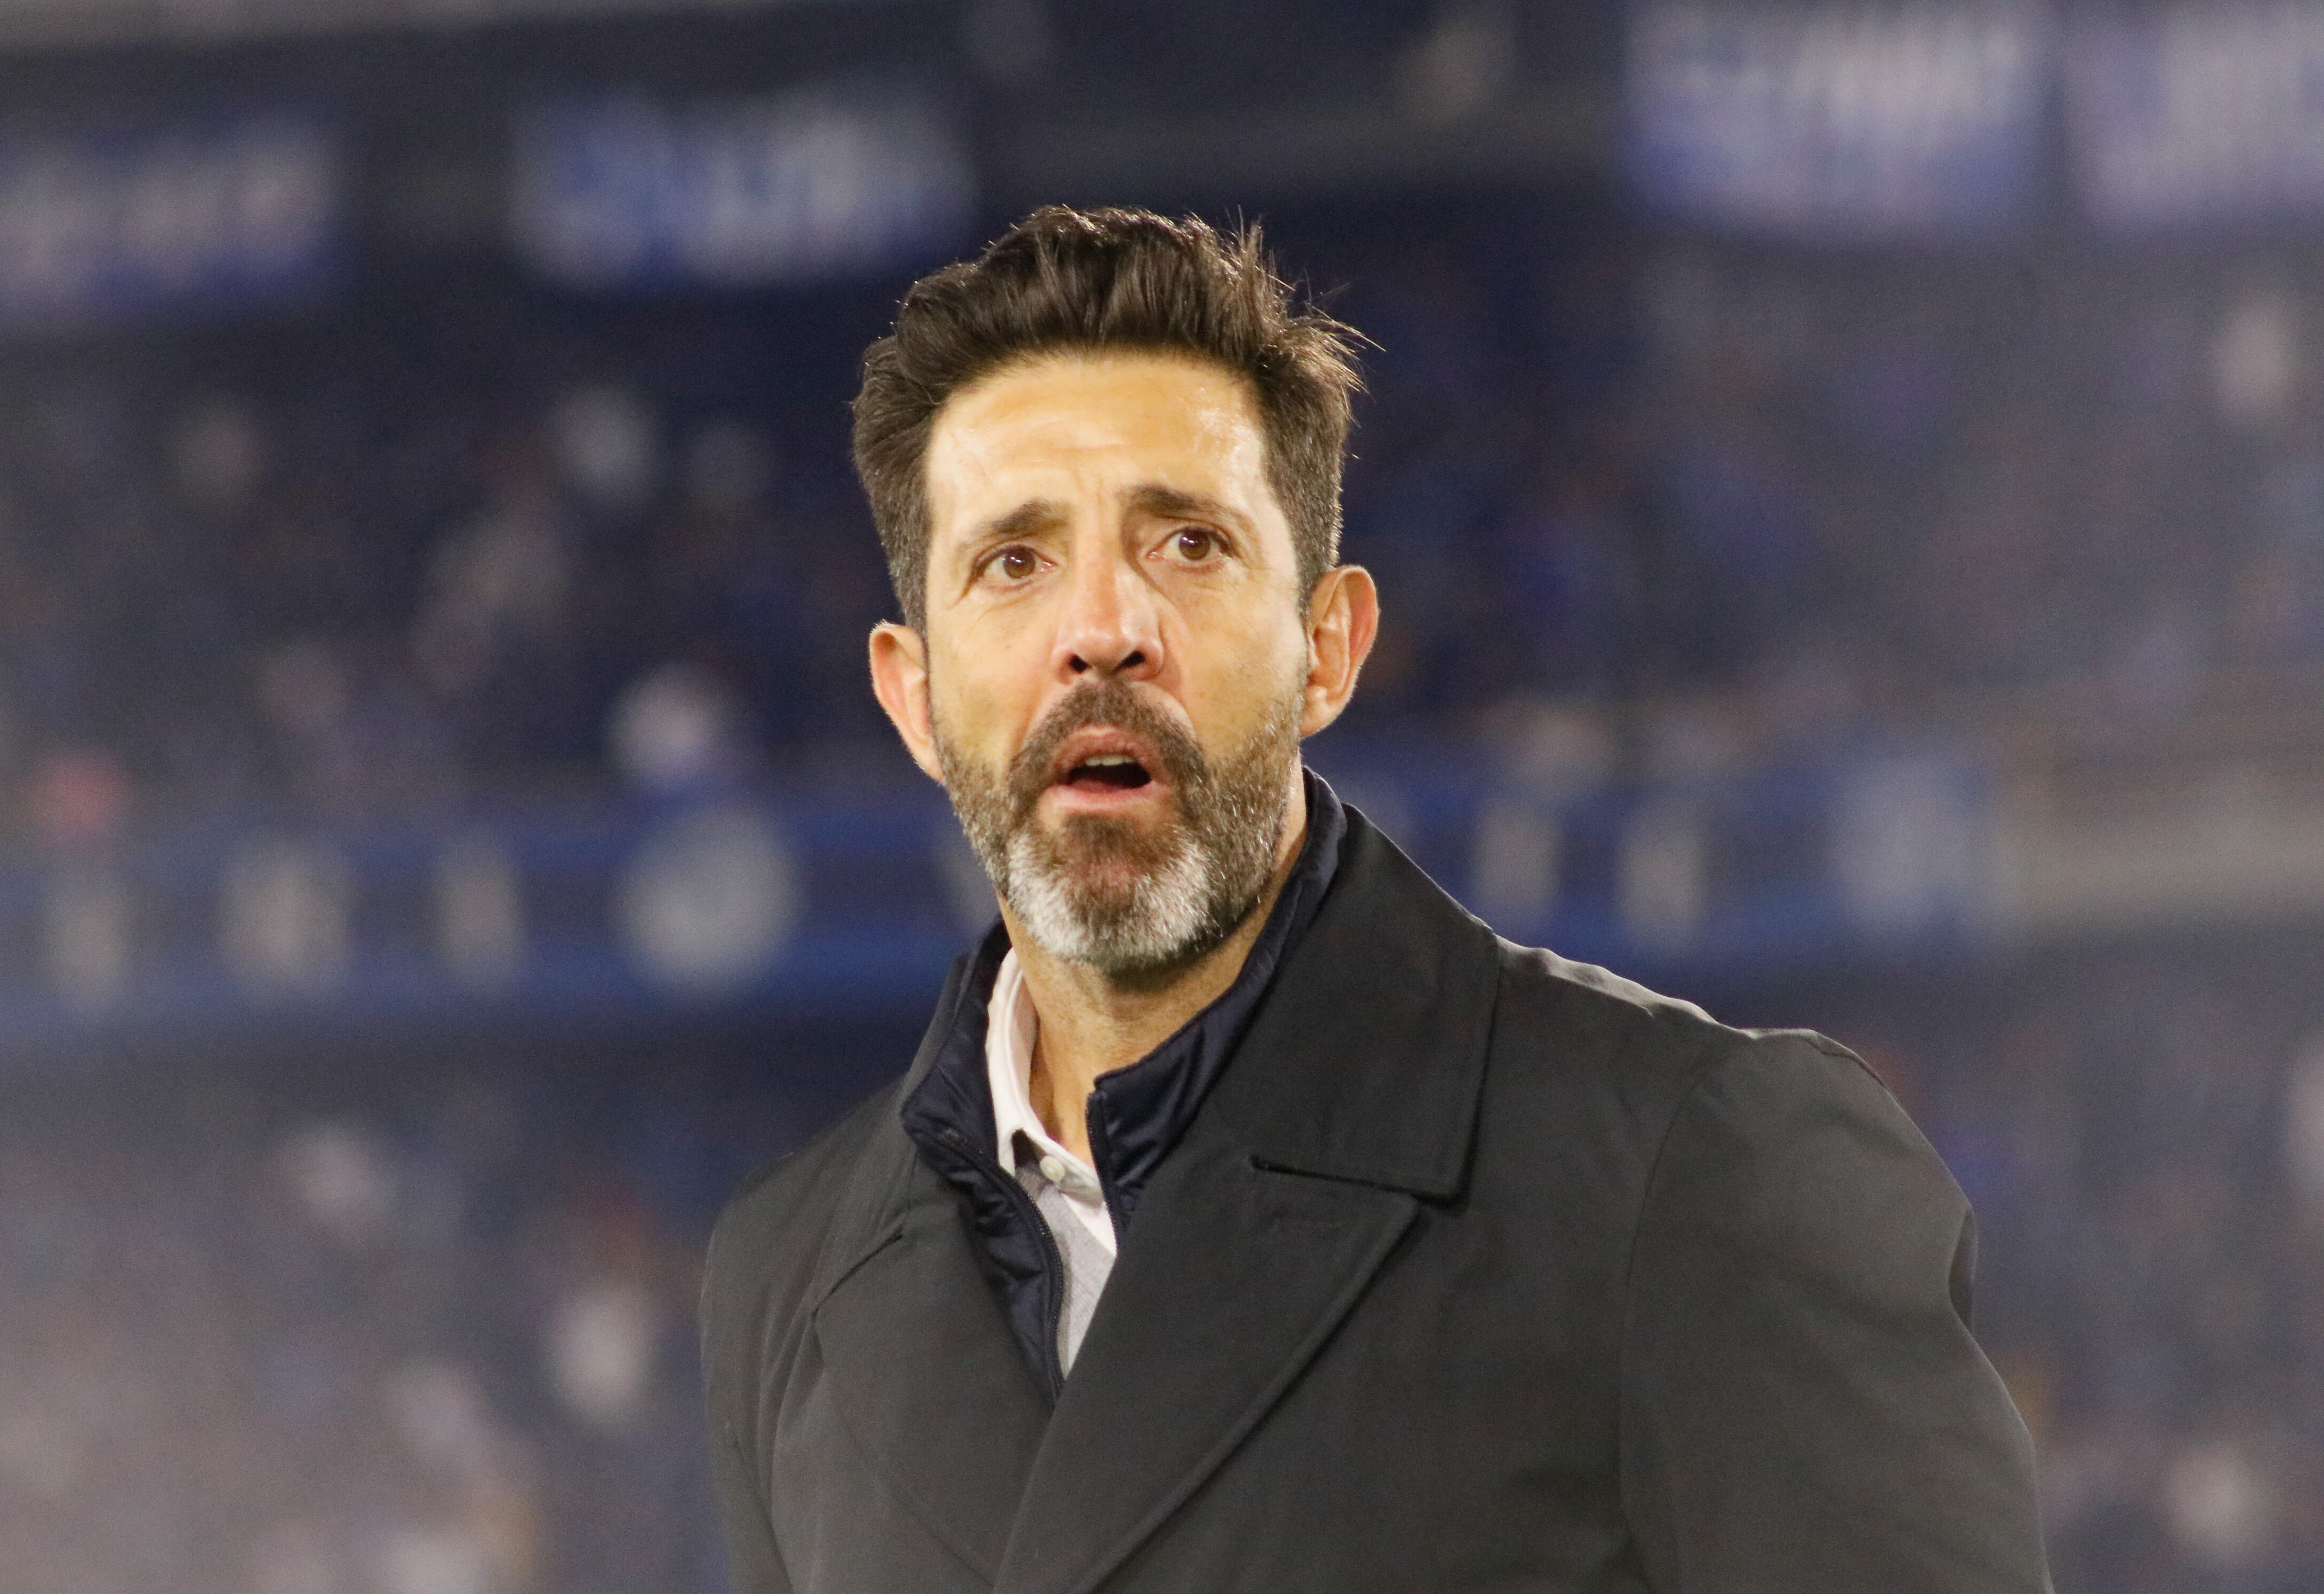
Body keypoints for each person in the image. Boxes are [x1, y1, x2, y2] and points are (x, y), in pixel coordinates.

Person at [700, 206, 2050, 1593]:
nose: (1101, 630)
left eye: (1189, 545)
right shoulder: (785, 1270)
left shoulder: (1700, 1168)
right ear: (914, 696)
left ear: (1328, 648)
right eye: (1013, 562)